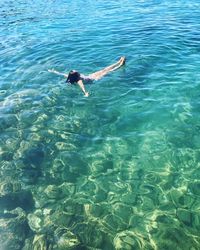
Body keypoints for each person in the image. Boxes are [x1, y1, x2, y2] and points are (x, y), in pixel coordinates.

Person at [48, 56, 126, 97]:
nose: (76, 70)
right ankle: (120, 64)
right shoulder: (79, 80)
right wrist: (85, 93)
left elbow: (61, 74)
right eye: (75, 71)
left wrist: (54, 71)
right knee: (108, 71)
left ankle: (118, 62)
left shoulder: (70, 77)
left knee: (105, 69)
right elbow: (83, 87)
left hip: (91, 76)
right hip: (95, 79)